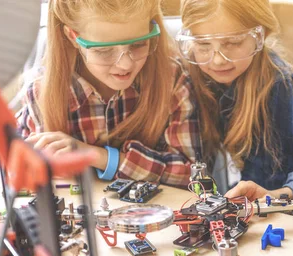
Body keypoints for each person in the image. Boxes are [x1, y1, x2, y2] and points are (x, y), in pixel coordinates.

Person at [17, 0, 200, 187]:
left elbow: (192, 175)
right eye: (104, 51)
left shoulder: (171, 78)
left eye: (138, 45)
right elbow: (34, 179)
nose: (125, 65)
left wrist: (100, 157)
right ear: (72, 37)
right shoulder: (41, 93)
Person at [178, 0, 293, 195]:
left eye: (233, 42)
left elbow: (265, 180)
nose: (218, 59)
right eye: (203, 44)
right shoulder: (197, 74)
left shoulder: (276, 83)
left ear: (261, 35)